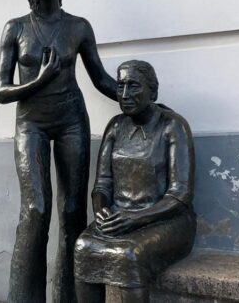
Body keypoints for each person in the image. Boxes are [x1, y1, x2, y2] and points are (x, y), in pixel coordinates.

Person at [0, 0, 117, 302]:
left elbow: (101, 79)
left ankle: (69, 297)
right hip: (30, 124)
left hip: (71, 121)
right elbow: (3, 91)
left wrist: (137, 99)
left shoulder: (78, 27)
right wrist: (40, 80)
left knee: (72, 210)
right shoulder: (15, 29)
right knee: (36, 209)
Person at [74, 60, 196, 303]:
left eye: (133, 86)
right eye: (120, 87)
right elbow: (102, 184)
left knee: (129, 254)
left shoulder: (173, 126)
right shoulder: (116, 126)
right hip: (120, 218)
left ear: (153, 91)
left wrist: (137, 218)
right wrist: (102, 213)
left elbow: (180, 194)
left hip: (168, 220)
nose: (125, 94)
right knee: (83, 246)